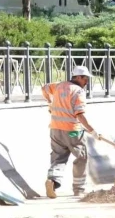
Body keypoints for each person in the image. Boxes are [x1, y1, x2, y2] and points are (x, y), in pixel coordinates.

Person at [41, 65, 99, 198]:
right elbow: (79, 114)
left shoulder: (59, 85)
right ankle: (79, 189)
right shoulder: (78, 91)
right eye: (85, 79)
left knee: (58, 157)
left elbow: (44, 88)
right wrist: (92, 131)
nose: (87, 82)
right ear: (78, 77)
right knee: (81, 157)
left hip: (55, 130)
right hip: (72, 132)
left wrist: (49, 102)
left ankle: (52, 181)